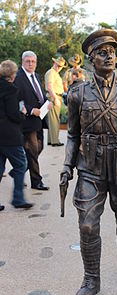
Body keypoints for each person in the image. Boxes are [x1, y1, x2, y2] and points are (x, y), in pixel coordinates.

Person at [60, 29, 117, 295]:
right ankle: (91, 278)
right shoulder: (77, 94)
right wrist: (67, 166)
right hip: (90, 167)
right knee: (87, 226)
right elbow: (73, 135)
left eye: (111, 52)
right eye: (102, 52)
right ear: (91, 59)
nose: (108, 56)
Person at [0, 60, 33, 209]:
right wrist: (23, 115)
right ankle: (18, 199)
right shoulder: (11, 90)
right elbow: (13, 114)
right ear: (13, 75)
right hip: (10, 135)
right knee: (21, 164)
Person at [14, 51, 50, 191]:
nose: (31, 64)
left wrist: (48, 102)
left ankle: (19, 170)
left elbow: (39, 95)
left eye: (33, 61)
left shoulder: (36, 75)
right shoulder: (18, 77)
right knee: (33, 151)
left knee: (38, 148)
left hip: (39, 119)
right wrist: (30, 110)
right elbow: (16, 101)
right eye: (28, 61)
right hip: (27, 121)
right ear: (22, 62)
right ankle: (36, 181)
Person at [45, 56, 67, 147]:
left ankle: (51, 140)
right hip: (54, 97)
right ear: (54, 63)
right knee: (54, 119)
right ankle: (55, 141)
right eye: (57, 65)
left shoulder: (54, 73)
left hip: (56, 96)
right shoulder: (51, 73)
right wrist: (56, 98)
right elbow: (50, 87)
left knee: (53, 119)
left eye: (60, 66)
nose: (58, 67)